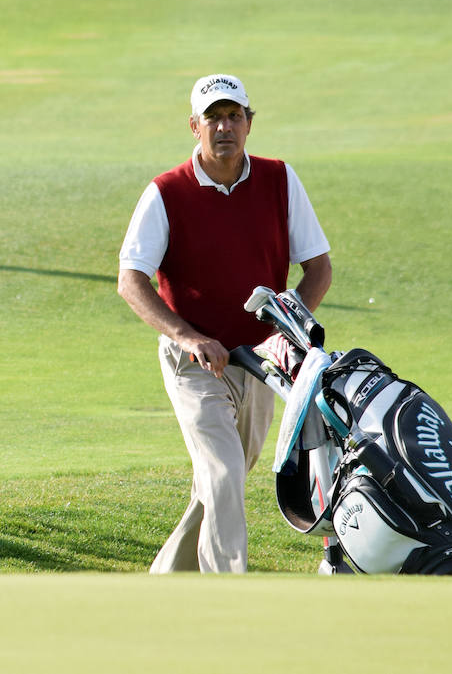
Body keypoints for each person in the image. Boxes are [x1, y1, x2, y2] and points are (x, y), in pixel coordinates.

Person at [117, 74, 332, 573]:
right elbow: (131, 280)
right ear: (194, 127)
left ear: (249, 123)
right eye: (213, 117)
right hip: (194, 362)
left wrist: (286, 331)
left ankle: (165, 583)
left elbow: (318, 267)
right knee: (223, 472)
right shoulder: (166, 192)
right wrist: (187, 335)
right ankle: (228, 593)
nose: (224, 127)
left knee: (222, 482)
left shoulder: (280, 179)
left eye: (234, 116)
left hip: (261, 363)